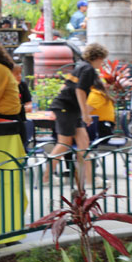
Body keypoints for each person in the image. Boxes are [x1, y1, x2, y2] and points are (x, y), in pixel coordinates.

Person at [48, 42, 107, 187]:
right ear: (98, 57)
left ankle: (89, 180)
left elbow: (65, 85)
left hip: (69, 108)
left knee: (83, 144)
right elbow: (79, 90)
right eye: (103, 59)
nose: (103, 63)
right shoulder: (88, 69)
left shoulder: (80, 66)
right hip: (67, 109)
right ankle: (45, 176)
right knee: (64, 143)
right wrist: (85, 114)